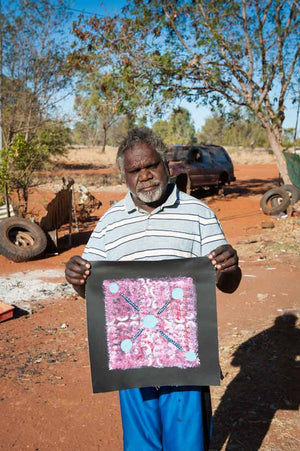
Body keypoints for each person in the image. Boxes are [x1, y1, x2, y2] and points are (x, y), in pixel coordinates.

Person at [65, 127, 242, 451]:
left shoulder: (198, 213)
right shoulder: (109, 223)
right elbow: (94, 290)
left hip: (187, 360)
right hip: (131, 361)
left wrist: (230, 268)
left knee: (188, 443)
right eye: (134, 170)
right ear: (125, 176)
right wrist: (78, 278)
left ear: (167, 165)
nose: (144, 175)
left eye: (151, 165)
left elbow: (227, 283)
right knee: (140, 445)